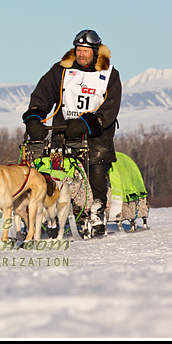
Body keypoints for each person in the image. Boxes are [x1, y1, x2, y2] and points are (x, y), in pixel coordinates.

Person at [21, 29, 122, 237]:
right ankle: (50, 209)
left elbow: (110, 108)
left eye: (85, 50)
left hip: (96, 133)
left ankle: (97, 208)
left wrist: (88, 121)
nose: (81, 54)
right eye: (78, 49)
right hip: (63, 129)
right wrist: (34, 117)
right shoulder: (60, 71)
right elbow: (42, 95)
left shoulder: (110, 75)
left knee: (96, 162)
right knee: (53, 168)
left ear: (95, 52)